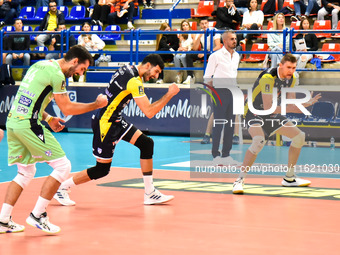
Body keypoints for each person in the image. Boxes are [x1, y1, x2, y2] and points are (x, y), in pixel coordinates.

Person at [0, 45, 108, 234]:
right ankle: (38, 215)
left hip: (12, 122)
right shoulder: (57, 75)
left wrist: (49, 118)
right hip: (28, 124)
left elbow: (29, 99)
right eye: (82, 69)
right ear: (75, 61)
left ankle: (3, 220)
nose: (79, 73)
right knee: (63, 166)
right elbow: (67, 108)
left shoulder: (40, 65)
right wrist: (96, 105)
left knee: (25, 172)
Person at [53, 54, 180, 207]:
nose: (155, 76)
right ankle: (61, 187)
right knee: (102, 170)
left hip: (117, 120)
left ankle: (150, 192)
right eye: (156, 71)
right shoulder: (134, 81)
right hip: (106, 124)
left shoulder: (127, 68)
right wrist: (169, 94)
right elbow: (149, 112)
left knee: (146, 143)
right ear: (147, 65)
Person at [232, 54, 322, 193]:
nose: (291, 71)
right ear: (280, 65)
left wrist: (304, 104)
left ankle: (289, 178)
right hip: (252, 111)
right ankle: (239, 180)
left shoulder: (291, 78)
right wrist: (299, 107)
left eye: (293, 68)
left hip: (271, 113)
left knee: (299, 137)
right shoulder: (268, 78)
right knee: (258, 140)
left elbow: (290, 102)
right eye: (288, 67)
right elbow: (268, 106)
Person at [203, 31, 240, 166]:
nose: (234, 41)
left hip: (232, 91)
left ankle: (226, 154)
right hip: (219, 92)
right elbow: (208, 76)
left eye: (235, 39)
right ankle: (215, 155)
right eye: (231, 39)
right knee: (218, 124)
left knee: (230, 124)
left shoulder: (236, 56)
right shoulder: (215, 56)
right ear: (224, 41)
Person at [184, 17, 222, 85]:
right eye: (202, 24)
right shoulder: (200, 32)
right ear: (200, 25)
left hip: (213, 51)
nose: (204, 25)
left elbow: (218, 46)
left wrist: (205, 53)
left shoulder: (214, 30)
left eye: (205, 23)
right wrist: (199, 37)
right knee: (189, 54)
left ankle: (210, 78)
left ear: (208, 24)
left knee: (212, 56)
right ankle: (190, 76)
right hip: (204, 51)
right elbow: (195, 49)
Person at [174, 19, 194, 84]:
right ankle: (179, 74)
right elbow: (180, 45)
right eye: (183, 25)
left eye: (186, 25)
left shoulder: (192, 34)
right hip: (182, 51)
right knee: (176, 57)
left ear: (189, 26)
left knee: (183, 56)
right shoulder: (180, 35)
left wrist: (187, 49)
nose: (185, 27)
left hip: (190, 50)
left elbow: (194, 45)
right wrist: (180, 48)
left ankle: (190, 74)